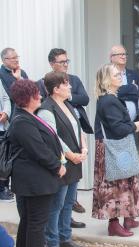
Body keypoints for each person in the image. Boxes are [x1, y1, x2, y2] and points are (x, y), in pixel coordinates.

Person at [9, 79, 65, 247]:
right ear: (27, 98)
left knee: (30, 220)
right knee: (36, 222)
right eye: (36, 94)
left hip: (34, 179)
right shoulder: (22, 121)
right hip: (35, 180)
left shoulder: (26, 117)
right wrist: (57, 165)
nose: (40, 96)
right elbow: (38, 150)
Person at [37, 48, 92, 225]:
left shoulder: (73, 80)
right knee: (58, 201)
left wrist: (67, 98)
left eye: (67, 61)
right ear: (52, 64)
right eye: (62, 62)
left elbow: (84, 99)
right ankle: (55, 237)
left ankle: (66, 225)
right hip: (61, 149)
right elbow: (53, 135)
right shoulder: (44, 92)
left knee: (68, 198)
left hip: (75, 133)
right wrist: (66, 97)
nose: (66, 65)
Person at [37, 71, 87, 247]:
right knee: (56, 204)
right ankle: (52, 243)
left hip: (75, 159)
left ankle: (66, 237)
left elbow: (77, 127)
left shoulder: (68, 104)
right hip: (62, 162)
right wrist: (71, 155)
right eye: (66, 84)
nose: (70, 87)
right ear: (56, 89)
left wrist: (83, 147)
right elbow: (54, 137)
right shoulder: (46, 109)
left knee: (68, 203)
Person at [92, 63, 139, 237]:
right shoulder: (108, 100)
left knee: (125, 182)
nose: (120, 76)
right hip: (113, 148)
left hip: (118, 146)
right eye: (116, 75)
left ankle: (127, 217)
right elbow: (118, 128)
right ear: (107, 80)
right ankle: (113, 224)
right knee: (114, 187)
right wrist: (134, 126)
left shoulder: (112, 98)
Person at [0, 47, 28, 201]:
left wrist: (20, 79)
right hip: (10, 120)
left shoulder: (21, 73)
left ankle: (9, 186)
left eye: (17, 57)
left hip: (18, 117)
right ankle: (3, 187)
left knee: (12, 154)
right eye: (13, 58)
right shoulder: (2, 74)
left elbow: (29, 90)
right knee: (4, 155)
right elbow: (11, 94)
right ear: (4, 60)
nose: (17, 60)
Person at [109, 45, 139, 121]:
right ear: (111, 57)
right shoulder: (106, 75)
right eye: (120, 54)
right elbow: (110, 93)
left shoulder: (134, 74)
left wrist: (121, 92)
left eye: (125, 54)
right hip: (114, 121)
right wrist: (132, 88)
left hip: (135, 123)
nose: (124, 57)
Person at [0, 81, 12, 202]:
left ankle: (2, 189)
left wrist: (6, 113)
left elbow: (5, 98)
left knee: (3, 160)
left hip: (2, 127)